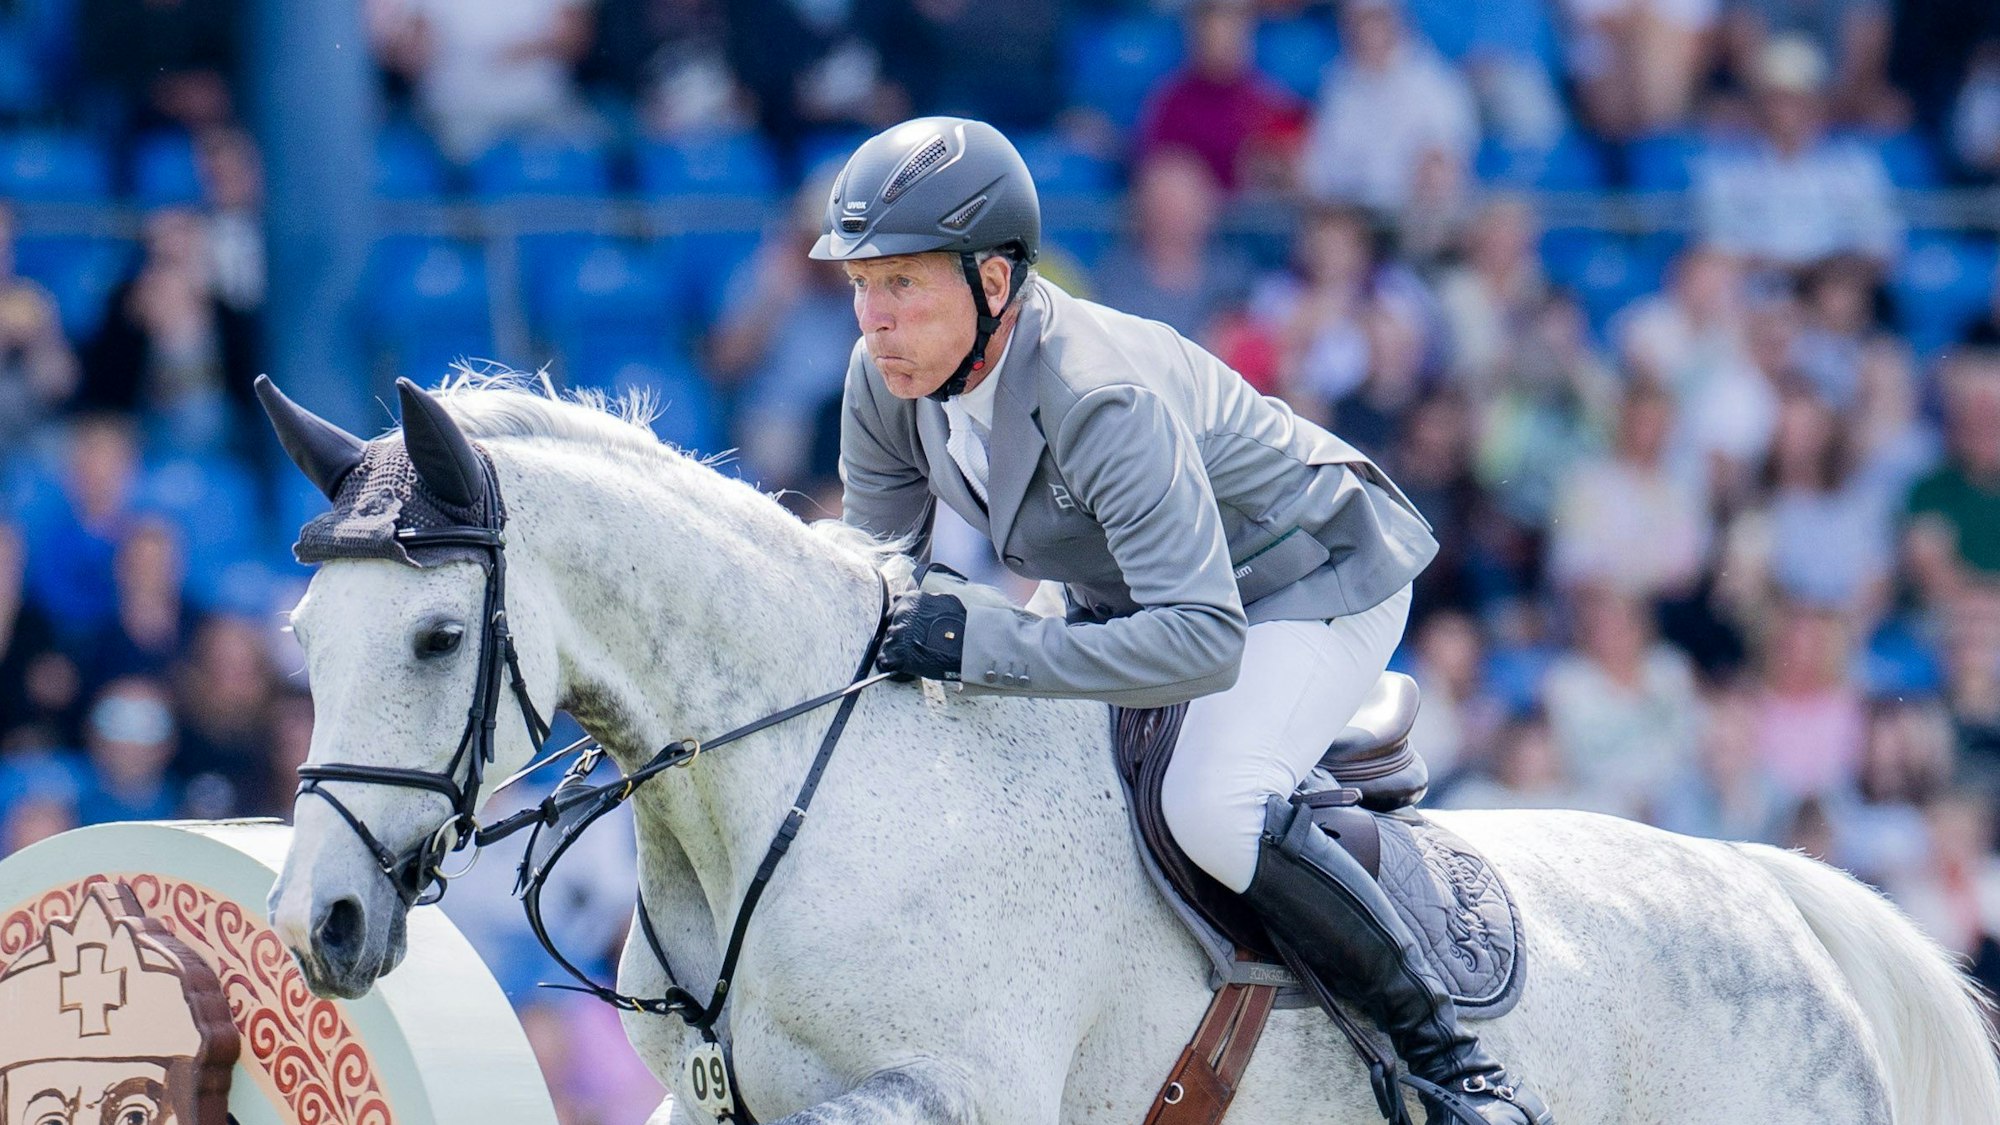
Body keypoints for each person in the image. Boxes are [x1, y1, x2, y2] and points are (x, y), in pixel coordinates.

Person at [821, 116, 1551, 1125]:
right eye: (859, 282)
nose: (872, 316)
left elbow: (1201, 639)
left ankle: (1451, 1066)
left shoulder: (1097, 395)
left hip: (1305, 576)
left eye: (901, 282)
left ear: (994, 283)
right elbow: (881, 581)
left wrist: (974, 641)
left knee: (1204, 806)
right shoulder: (882, 381)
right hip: (1127, 585)